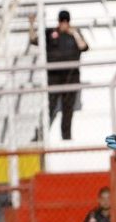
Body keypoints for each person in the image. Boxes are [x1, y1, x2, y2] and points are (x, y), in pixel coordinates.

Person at [29, 9, 89, 140]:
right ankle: (39, 137)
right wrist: (32, 24)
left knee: (68, 111)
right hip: (54, 78)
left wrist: (75, 34)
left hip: (71, 78)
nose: (64, 23)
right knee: (48, 108)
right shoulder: (51, 33)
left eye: (66, 21)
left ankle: (66, 138)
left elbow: (84, 47)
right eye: (62, 21)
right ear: (58, 21)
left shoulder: (75, 34)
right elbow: (33, 40)